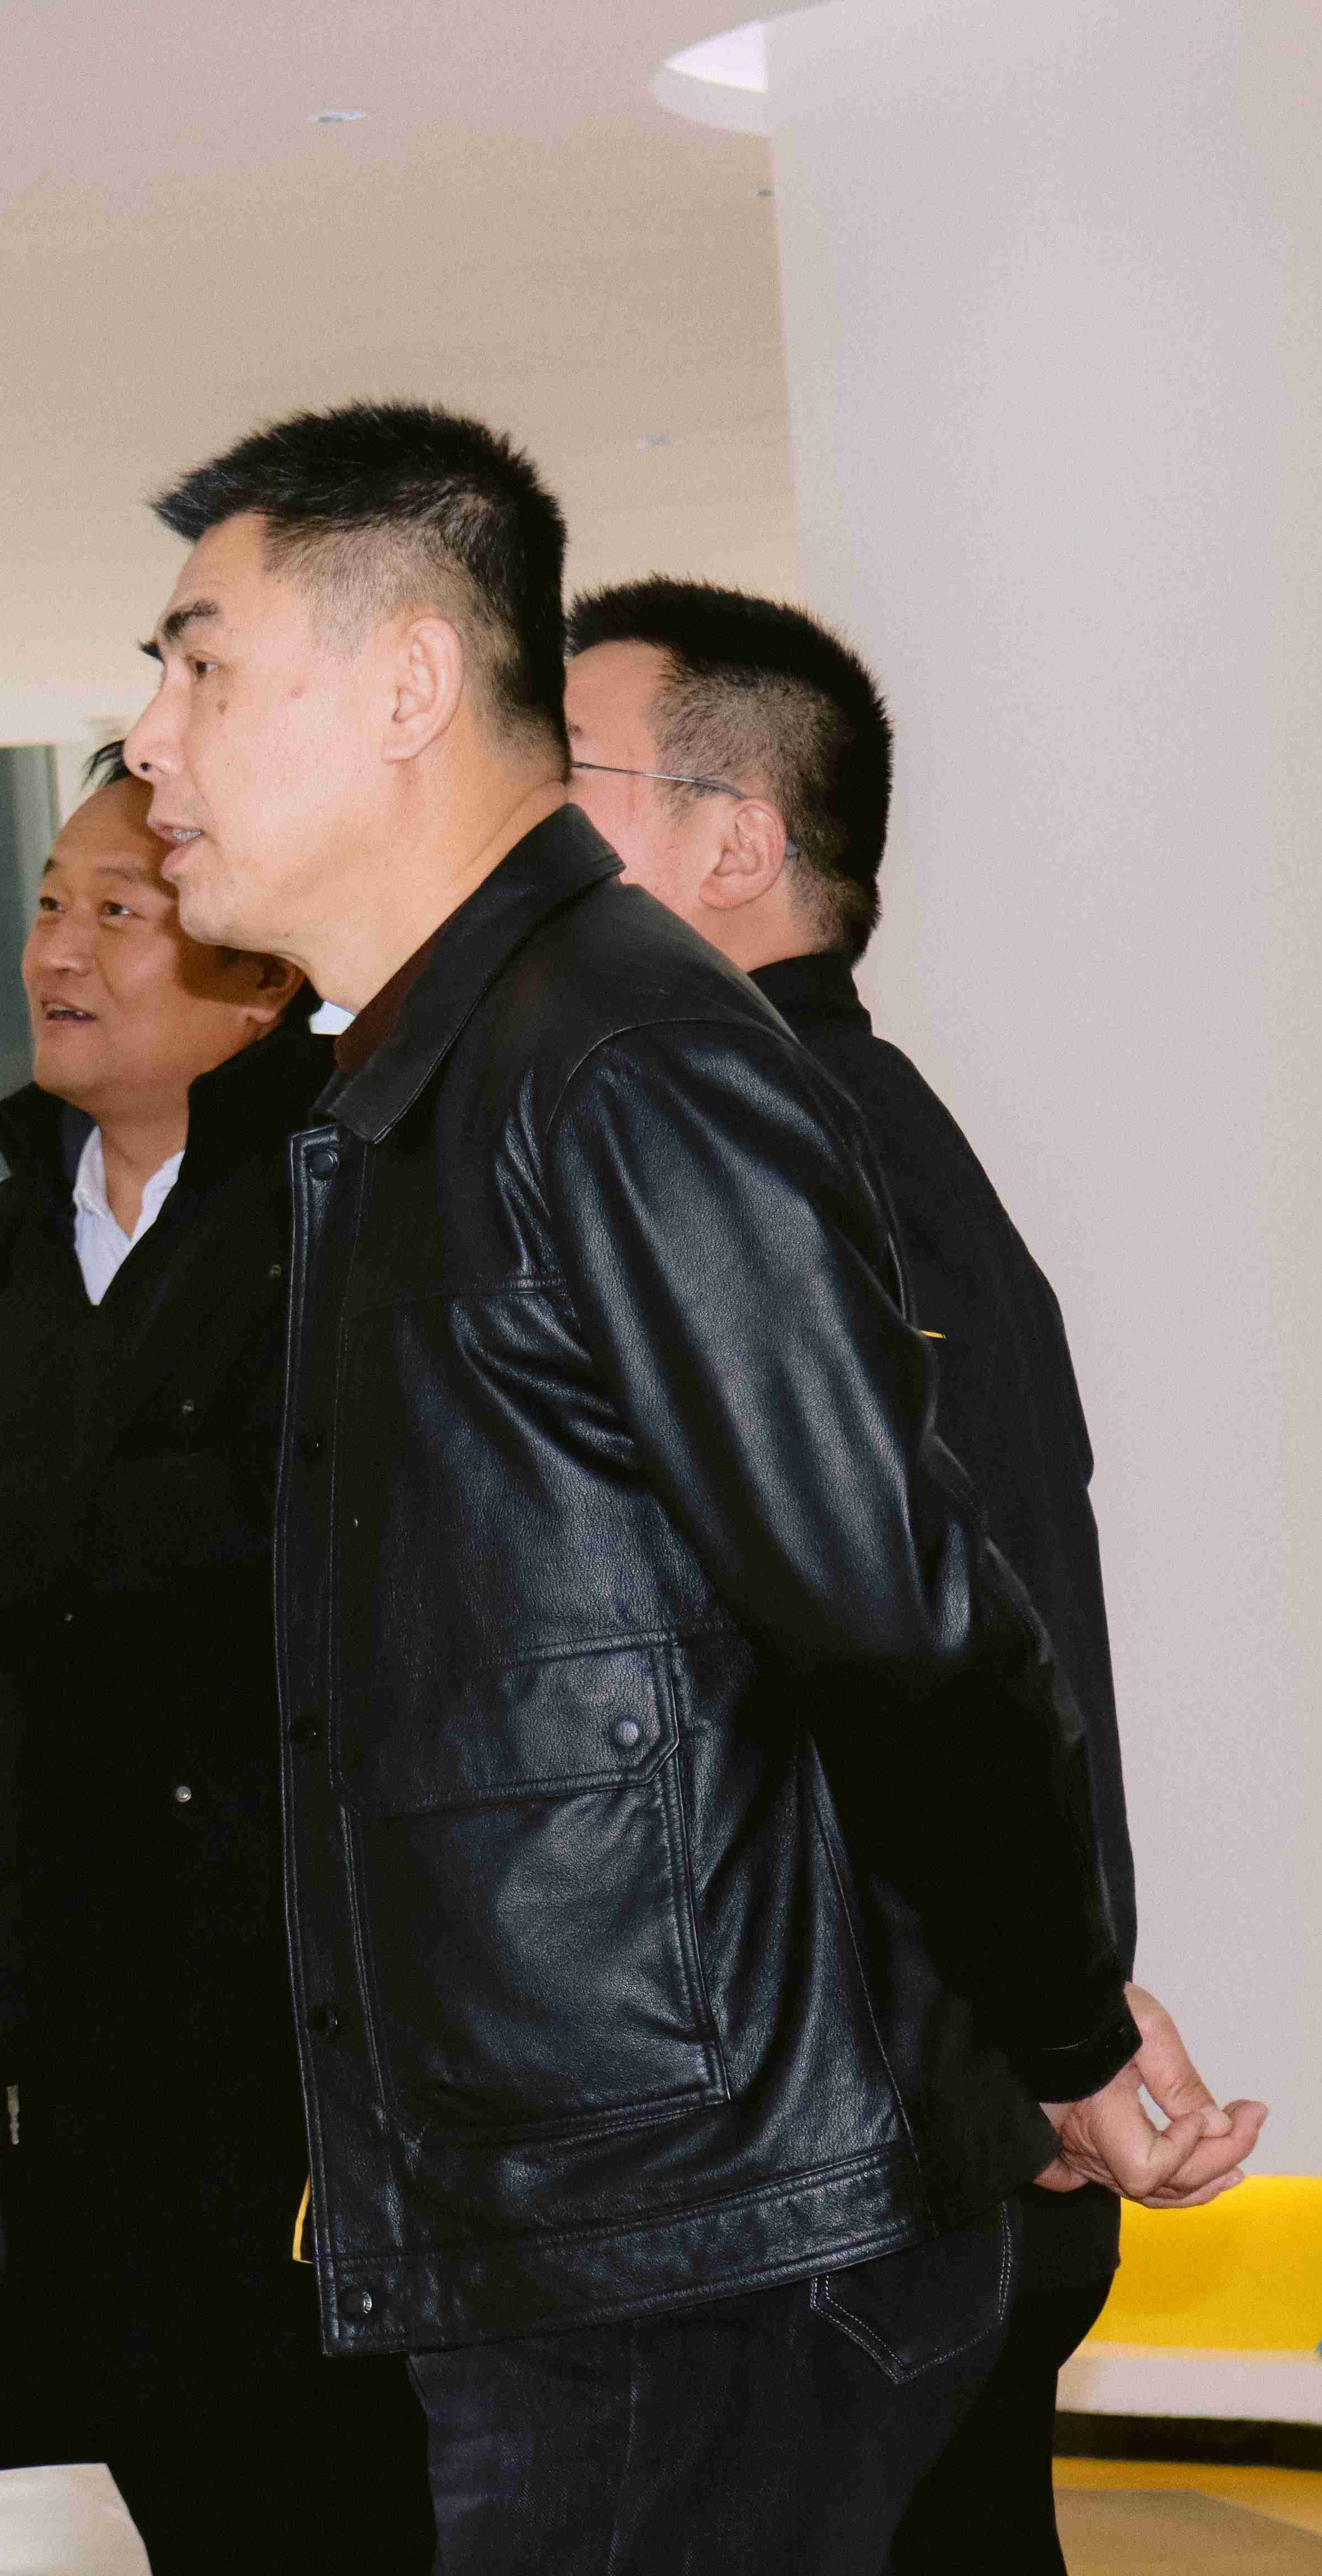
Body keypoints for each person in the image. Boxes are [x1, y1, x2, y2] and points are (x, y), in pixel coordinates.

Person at [117, 401, 1266, 2573]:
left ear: (409, 683)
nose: (149, 741)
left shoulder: (617, 1055)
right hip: (601, 2204)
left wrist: (1055, 2014)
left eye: (201, 665)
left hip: (700, 2228)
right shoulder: (448, 1072)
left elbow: (898, 1615)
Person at [561, 577, 1207, 2571]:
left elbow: (924, 1651)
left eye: (564, 774)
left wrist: (1045, 2034)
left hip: (869, 2167)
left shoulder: (781, 1149)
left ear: (737, 843)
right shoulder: (802, 1125)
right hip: (893, 2132)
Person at [0, 746, 434, 2568]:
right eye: (50, 904)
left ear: (262, 968)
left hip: (312, 2040)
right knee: (183, 2491)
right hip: (53, 2036)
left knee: (363, 2505)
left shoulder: (366, 1210)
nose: (58, 950)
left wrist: (19, 1555)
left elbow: (357, 1523)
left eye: (120, 912)